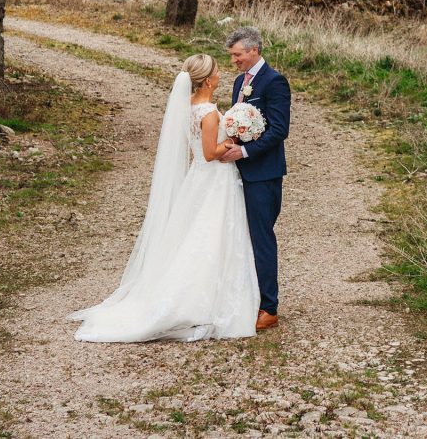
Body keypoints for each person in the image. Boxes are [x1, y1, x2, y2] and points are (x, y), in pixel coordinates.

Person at [68, 54, 259, 342]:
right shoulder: (207, 112)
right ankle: (201, 301)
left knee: (198, 235)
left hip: (199, 179)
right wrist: (231, 141)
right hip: (214, 180)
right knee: (210, 235)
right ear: (208, 80)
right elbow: (209, 153)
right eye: (217, 71)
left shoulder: (190, 106)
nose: (221, 74)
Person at [219, 27, 291, 330]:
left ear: (254, 50)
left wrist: (245, 153)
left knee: (261, 238)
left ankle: (269, 307)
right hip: (237, 173)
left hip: (263, 173)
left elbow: (278, 130)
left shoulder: (274, 82)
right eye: (232, 55)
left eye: (238, 54)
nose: (234, 60)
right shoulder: (240, 82)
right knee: (241, 237)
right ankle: (248, 298)